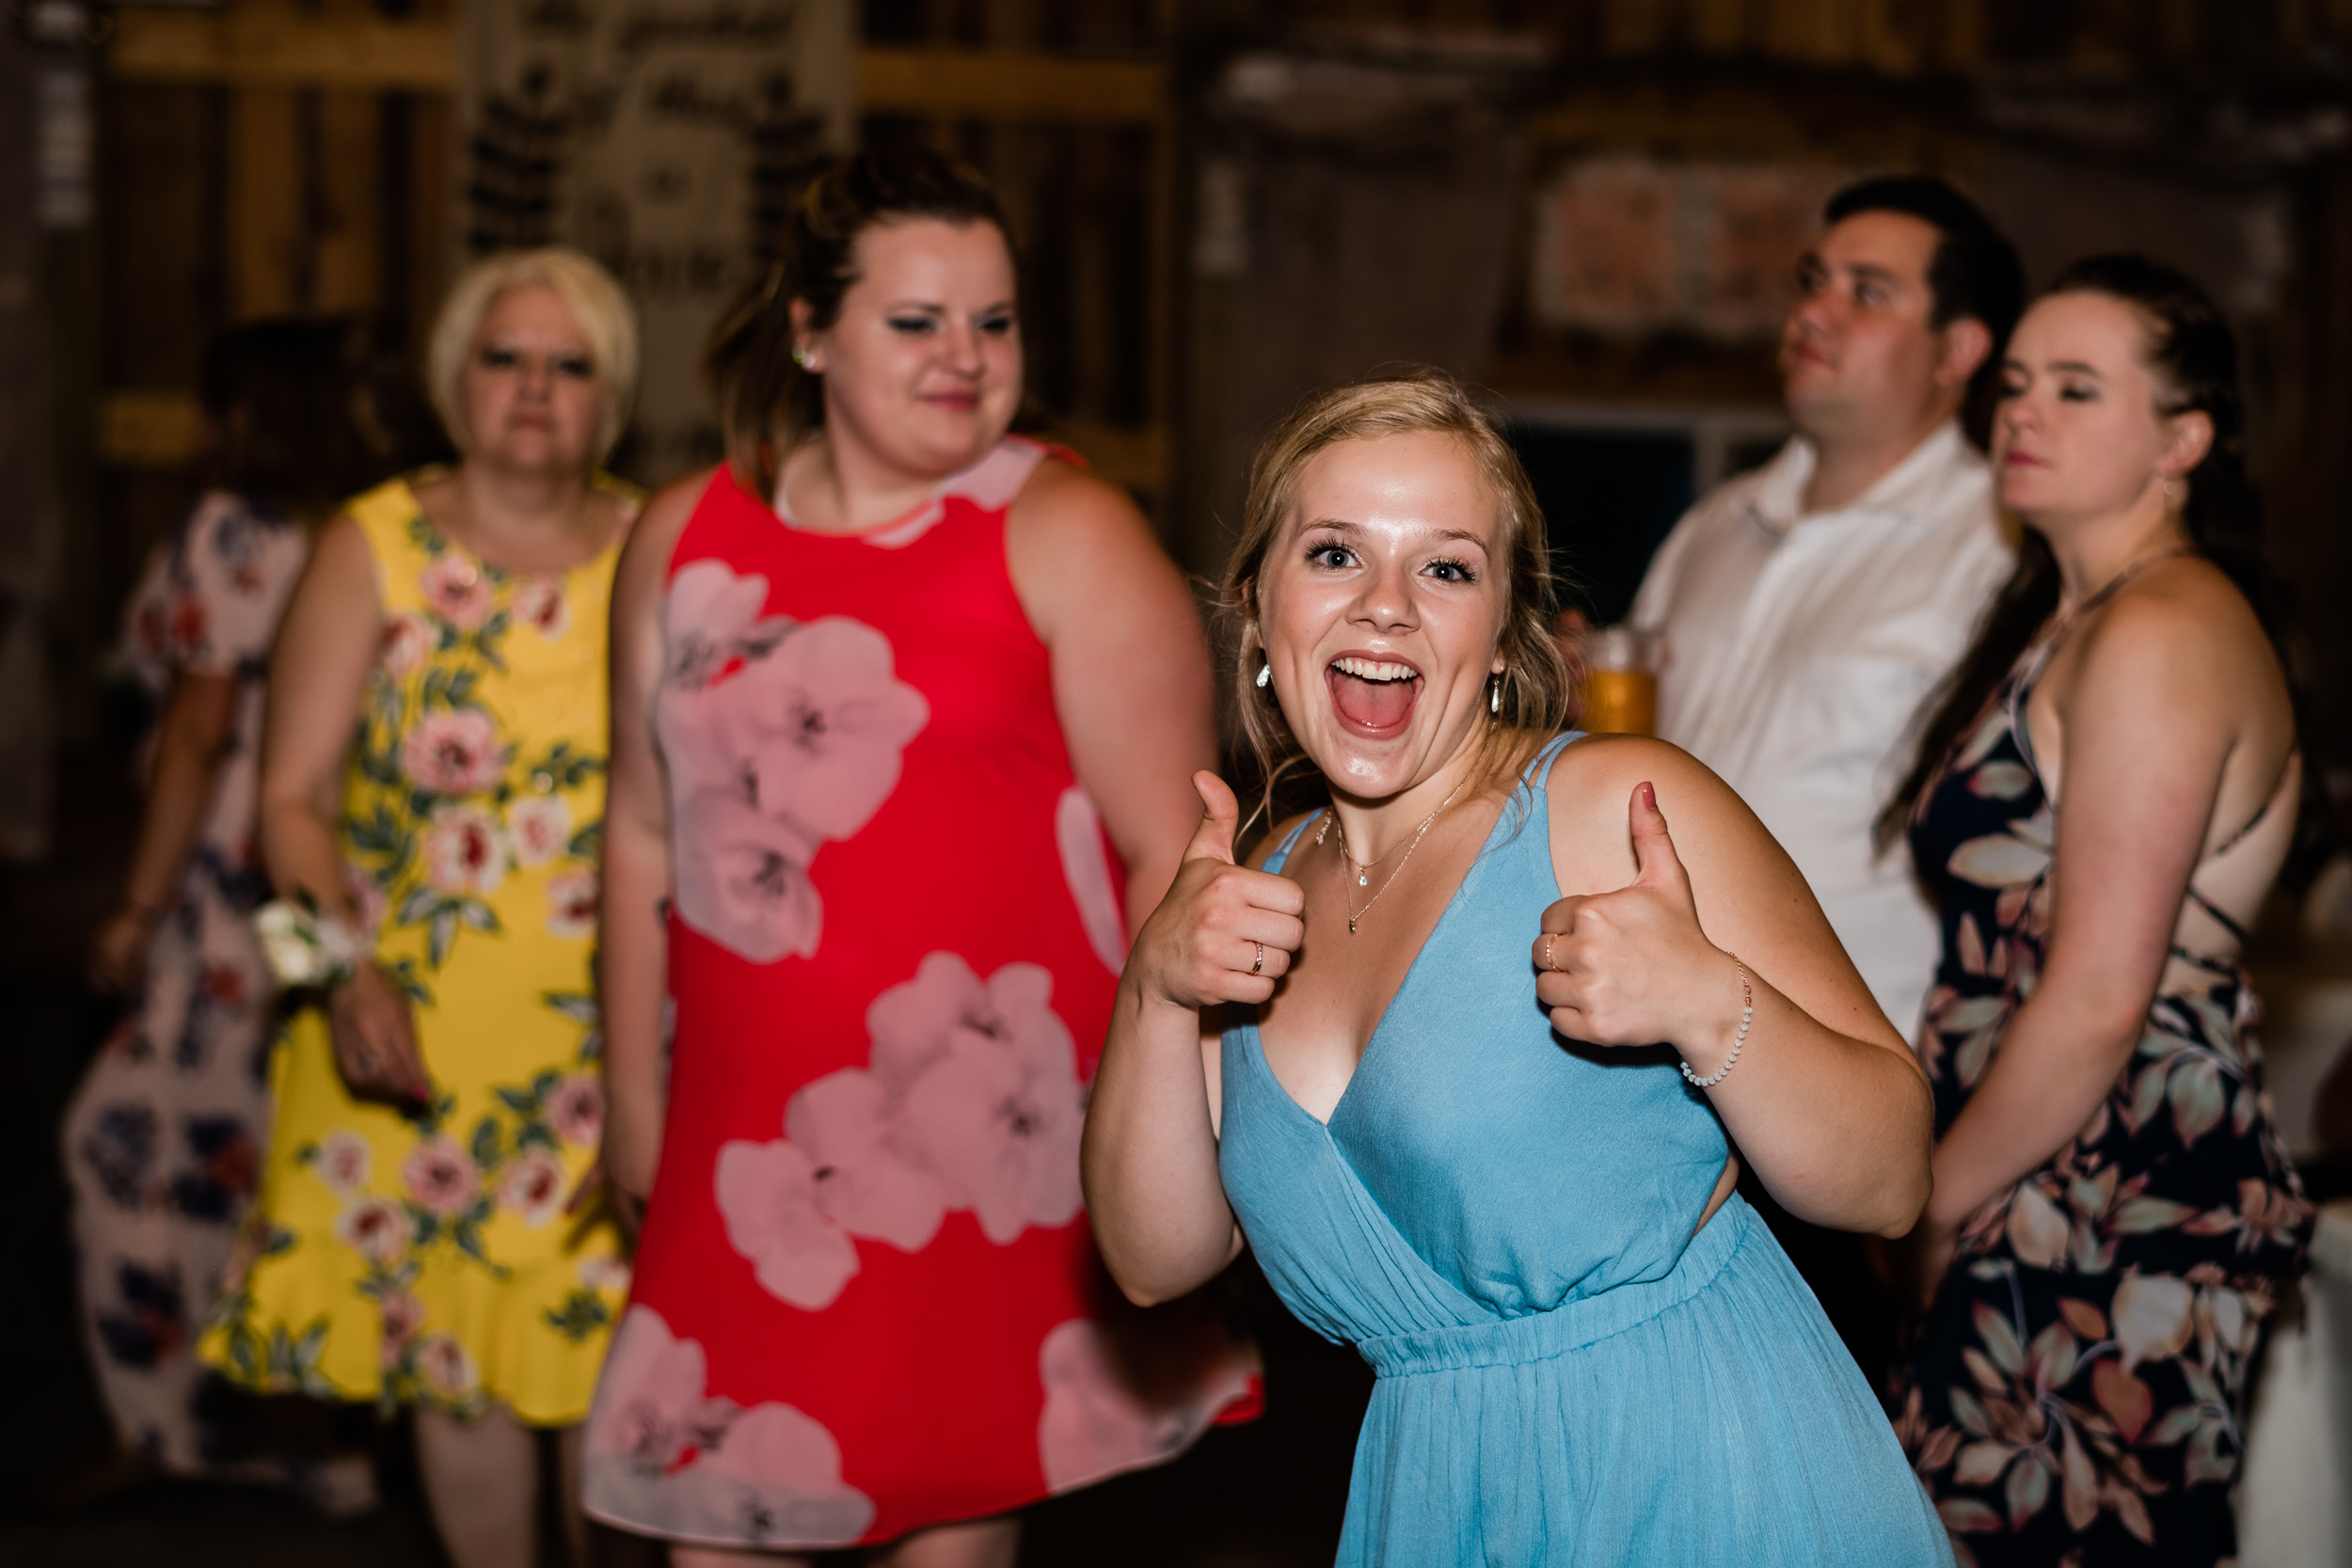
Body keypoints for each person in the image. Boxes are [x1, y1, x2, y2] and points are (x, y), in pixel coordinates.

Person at [1084, 371, 1954, 1567]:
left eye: (1445, 568)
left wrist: (1712, 1006)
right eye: (1334, 553)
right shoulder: (1254, 884)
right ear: (1257, 610)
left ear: (1504, 633)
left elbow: (1891, 1177)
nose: (1386, 605)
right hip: (1432, 1497)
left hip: (1699, 1478)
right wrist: (1154, 987)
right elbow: (1150, 1260)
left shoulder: (1612, 808)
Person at [585, 148, 1255, 1566]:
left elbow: (1169, 853)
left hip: (983, 1145)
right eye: (917, 322)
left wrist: (1178, 1127)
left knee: (947, 1510)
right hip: (741, 1146)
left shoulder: (1067, 532)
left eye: (995, 322)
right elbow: (640, 820)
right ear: (811, 331)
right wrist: (628, 1092)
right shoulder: (680, 539)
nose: (966, 357)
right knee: (717, 1516)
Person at [198, 248, 642, 1568]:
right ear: (455, 378)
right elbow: (282, 805)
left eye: (571, 364)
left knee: (619, 1380)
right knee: (461, 1374)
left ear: (612, 398)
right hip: (411, 1042)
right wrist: (332, 975)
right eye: (507, 355)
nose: (534, 387)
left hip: (611, 1040)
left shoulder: (663, 543)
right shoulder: (368, 544)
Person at [1886, 256, 2314, 1565]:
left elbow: (2097, 995)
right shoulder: (2074, 618)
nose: (2025, 412)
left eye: (2077, 388)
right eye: (2016, 383)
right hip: (2041, 1161)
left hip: (2101, 1179)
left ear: (2183, 439)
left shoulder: (2165, 625)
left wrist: (1928, 1195)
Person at [62, 318, 386, 1498]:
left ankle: (173, 1429)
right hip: (318, 881)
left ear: (240, 412)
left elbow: (199, 736)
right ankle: (322, 1436)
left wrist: (133, 912)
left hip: (225, 884)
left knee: (116, 1144)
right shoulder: (359, 528)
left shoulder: (230, 529)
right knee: (290, 1138)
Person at [1630, 174, 2026, 1039]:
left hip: (1859, 1052)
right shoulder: (1713, 526)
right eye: (1814, 282)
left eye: (1868, 293)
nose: (1814, 313)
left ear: (1958, 351)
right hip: (1652, 1036)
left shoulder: (2004, 556)